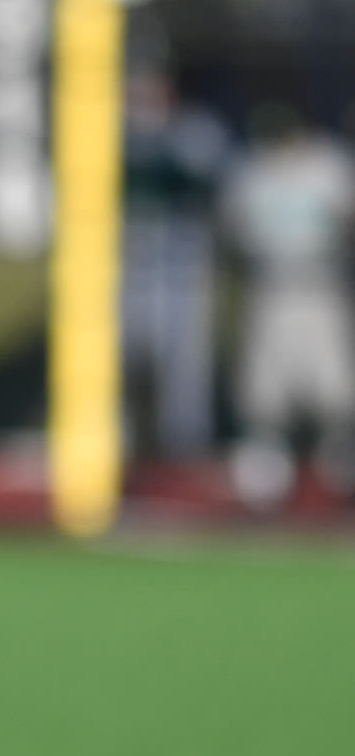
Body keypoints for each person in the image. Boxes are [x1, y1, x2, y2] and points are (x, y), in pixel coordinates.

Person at [220, 103, 355, 510]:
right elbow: (232, 230)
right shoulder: (251, 171)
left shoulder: (329, 166)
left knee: (335, 393)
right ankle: (265, 492)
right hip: (272, 290)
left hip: (320, 288)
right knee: (265, 400)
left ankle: (340, 482)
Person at [120, 67, 228, 461]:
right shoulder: (109, 123)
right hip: (129, 258)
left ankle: (185, 448)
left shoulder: (195, 129)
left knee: (184, 360)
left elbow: (206, 173)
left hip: (179, 257)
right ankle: (123, 439)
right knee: (121, 354)